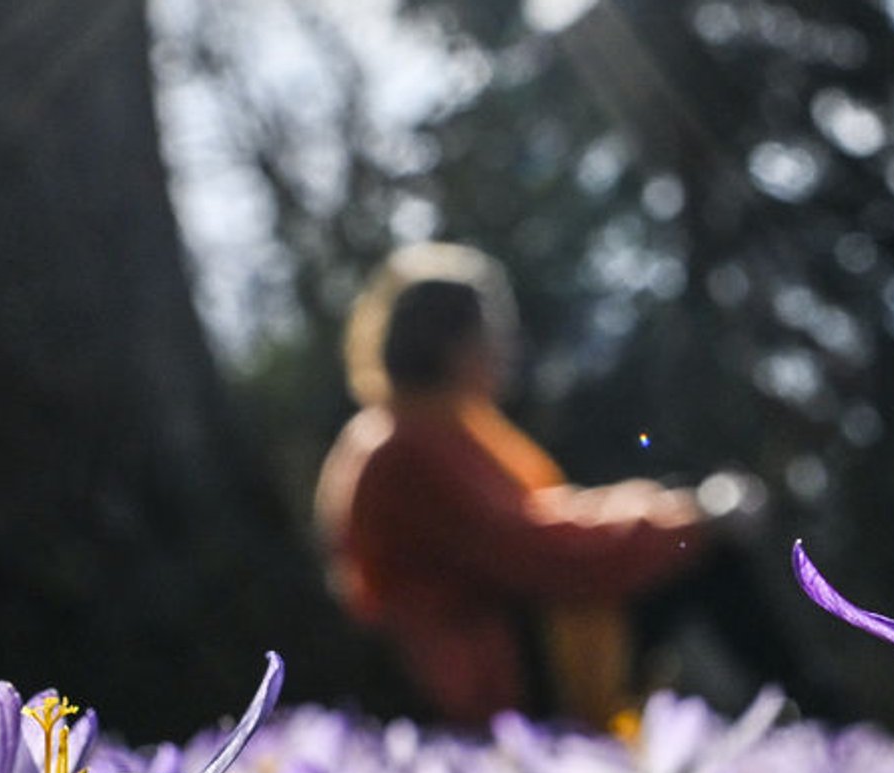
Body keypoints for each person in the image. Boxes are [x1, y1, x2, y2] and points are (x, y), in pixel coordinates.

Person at [314, 243, 743, 729]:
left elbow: (548, 516)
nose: (508, 346)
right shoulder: (403, 446)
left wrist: (679, 508)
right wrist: (692, 519)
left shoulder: (436, 426)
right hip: (484, 677)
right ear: (450, 343)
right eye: (493, 331)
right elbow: (541, 553)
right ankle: (815, 711)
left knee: (690, 540)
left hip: (494, 651)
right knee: (703, 554)